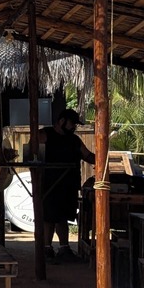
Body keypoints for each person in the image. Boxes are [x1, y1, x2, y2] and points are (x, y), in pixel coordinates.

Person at [37, 108, 94, 263]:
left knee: (63, 217)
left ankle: (64, 248)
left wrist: (102, 159)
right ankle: (46, 249)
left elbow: (88, 156)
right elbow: (32, 156)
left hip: (68, 184)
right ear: (61, 121)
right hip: (49, 184)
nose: (74, 127)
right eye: (72, 123)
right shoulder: (44, 135)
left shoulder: (74, 140)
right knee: (48, 217)